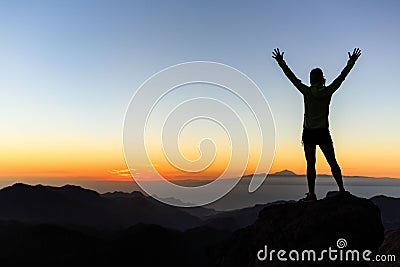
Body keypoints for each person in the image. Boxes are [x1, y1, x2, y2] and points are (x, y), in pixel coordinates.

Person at [272, 48, 361, 202]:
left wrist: (281, 62)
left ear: (311, 80)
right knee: (332, 162)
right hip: (323, 132)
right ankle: (341, 189)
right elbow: (342, 77)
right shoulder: (328, 91)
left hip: (308, 133)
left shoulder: (306, 91)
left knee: (311, 164)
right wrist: (351, 61)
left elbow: (291, 78)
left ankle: (312, 194)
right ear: (323, 79)